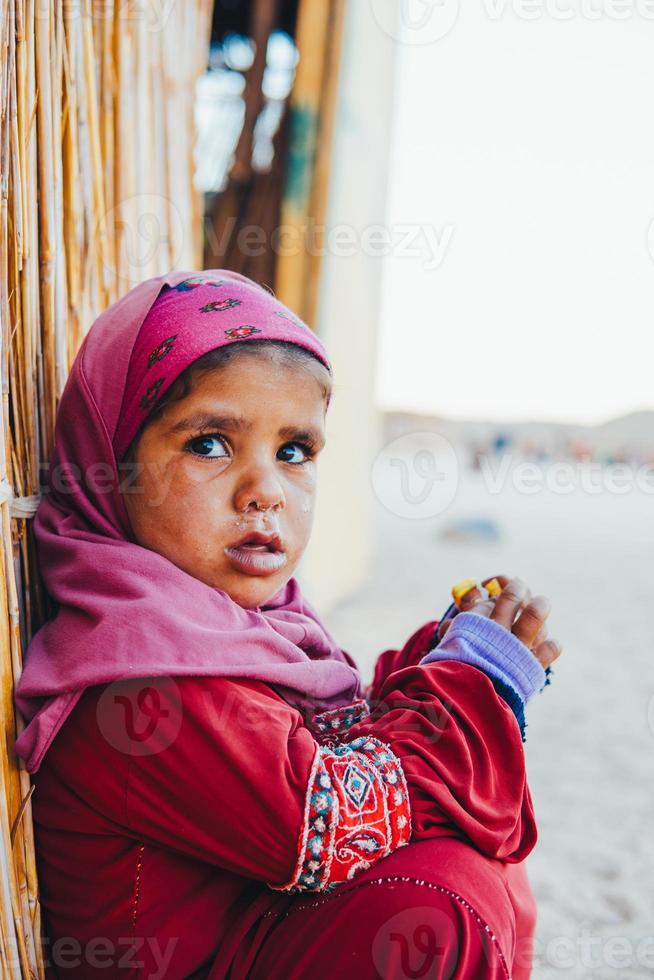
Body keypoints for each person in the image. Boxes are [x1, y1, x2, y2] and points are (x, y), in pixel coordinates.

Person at [14, 270, 562, 979]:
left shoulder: (262, 633)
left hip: (258, 941)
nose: (265, 491)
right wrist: (472, 683)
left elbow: (367, 748)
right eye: (210, 444)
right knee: (438, 906)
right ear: (109, 466)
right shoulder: (135, 681)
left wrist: (446, 659)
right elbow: (336, 819)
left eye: (294, 451)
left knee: (481, 847)